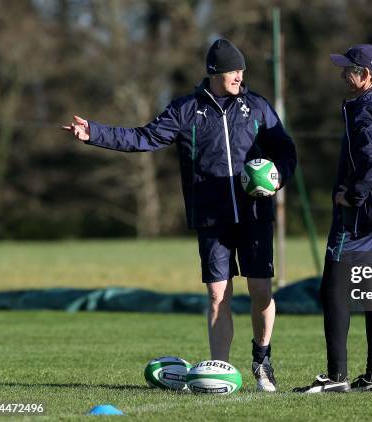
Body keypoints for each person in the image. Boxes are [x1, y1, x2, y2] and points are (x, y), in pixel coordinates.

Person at [62, 39, 296, 393]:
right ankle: (222, 373)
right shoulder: (186, 110)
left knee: (261, 291)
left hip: (254, 215)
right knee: (218, 296)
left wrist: (278, 176)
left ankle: (262, 360)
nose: (240, 76)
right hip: (210, 217)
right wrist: (95, 133)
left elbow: (285, 150)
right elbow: (143, 138)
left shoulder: (257, 107)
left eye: (242, 70)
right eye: (234, 70)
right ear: (215, 72)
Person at [294, 44, 372, 393]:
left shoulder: (366, 111)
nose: (341, 74)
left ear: (365, 75)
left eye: (348, 69)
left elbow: (371, 161)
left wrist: (353, 195)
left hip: (358, 215)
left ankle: (336, 377)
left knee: (333, 288)